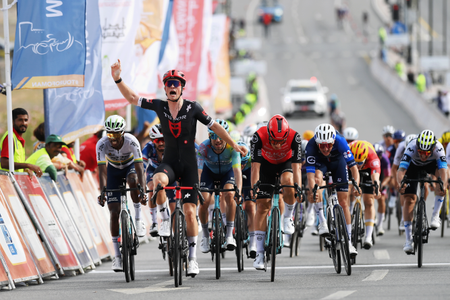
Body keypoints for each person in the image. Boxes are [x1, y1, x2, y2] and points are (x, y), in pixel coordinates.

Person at [110, 61, 246, 276]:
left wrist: (233, 143)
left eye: (176, 84)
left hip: (189, 167)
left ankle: (192, 259)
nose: (172, 87)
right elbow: (133, 99)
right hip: (170, 164)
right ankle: (165, 219)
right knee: (157, 182)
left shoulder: (194, 108)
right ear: (165, 89)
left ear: (182, 88)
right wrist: (118, 78)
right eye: (168, 84)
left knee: (191, 213)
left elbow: (215, 126)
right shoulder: (159, 106)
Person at [250, 114, 302, 270]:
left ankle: (287, 218)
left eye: (281, 142)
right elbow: (255, 167)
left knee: (288, 182)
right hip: (265, 165)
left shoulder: (295, 137)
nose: (278, 146)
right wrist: (254, 187)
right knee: (262, 206)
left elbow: (297, 167)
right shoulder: (258, 137)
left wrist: (298, 187)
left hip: (284, 164)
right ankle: (259, 253)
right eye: (274, 142)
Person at [96, 115, 147, 271]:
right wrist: (103, 190)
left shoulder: (132, 141)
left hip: (130, 166)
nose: (113, 138)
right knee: (114, 212)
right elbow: (102, 171)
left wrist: (142, 189)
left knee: (132, 179)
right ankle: (117, 257)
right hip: (113, 171)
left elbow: (139, 168)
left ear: (123, 133)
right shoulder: (101, 144)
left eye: (117, 134)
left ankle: (138, 219)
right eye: (110, 134)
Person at [304, 124, 360, 257]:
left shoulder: (341, 141)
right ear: (317, 142)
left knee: (343, 202)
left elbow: (353, 168)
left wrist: (357, 184)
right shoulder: (311, 146)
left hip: (338, 163)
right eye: (321, 145)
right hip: (320, 164)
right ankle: (322, 221)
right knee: (317, 182)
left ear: (333, 141)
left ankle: (349, 242)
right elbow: (310, 176)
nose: (325, 148)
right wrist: (313, 190)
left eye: (328, 145)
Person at [397, 130, 448, 254]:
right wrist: (401, 183)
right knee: (409, 199)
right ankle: (408, 240)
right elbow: (401, 169)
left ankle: (436, 215)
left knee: (441, 183)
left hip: (431, 165)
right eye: (420, 152)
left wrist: (443, 185)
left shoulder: (439, 148)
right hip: (413, 167)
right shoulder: (411, 146)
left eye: (426, 153)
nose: (423, 156)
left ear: (433, 148)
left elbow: (443, 170)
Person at [197, 119, 242, 253]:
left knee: (229, 194)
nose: (217, 140)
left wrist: (238, 190)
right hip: (208, 173)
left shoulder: (232, 148)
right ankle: (205, 236)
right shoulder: (203, 148)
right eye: (213, 136)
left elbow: (237, 171)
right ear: (209, 136)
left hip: (227, 174)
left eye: (220, 136)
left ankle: (229, 235)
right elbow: (199, 171)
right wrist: (200, 190)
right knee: (203, 201)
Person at [142, 124, 175, 237]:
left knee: (174, 207)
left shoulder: (172, 146)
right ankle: (154, 222)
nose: (160, 143)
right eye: (157, 140)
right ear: (152, 140)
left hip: (170, 172)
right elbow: (142, 165)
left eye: (163, 140)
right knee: (152, 188)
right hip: (153, 171)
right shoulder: (149, 147)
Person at [349, 141, 381, 249]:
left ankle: (368, 236)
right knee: (346, 189)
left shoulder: (372, 156)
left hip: (368, 169)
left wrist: (376, 186)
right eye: (356, 162)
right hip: (349, 167)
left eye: (360, 162)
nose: (358, 165)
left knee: (369, 201)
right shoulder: (346, 152)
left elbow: (375, 176)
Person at [0, 108, 42, 177]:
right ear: (12, 122)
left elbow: (16, 162)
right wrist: (28, 165)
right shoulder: (10, 137)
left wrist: (25, 169)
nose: (24, 123)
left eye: (26, 120)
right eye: (20, 120)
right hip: (7, 181)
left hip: (14, 180)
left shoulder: (17, 139)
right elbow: (4, 163)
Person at [373, 143, 391, 236]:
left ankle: (380, 225)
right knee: (369, 198)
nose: (377, 157)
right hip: (371, 176)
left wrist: (382, 184)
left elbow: (388, 176)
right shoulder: (369, 158)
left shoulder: (385, 160)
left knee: (382, 199)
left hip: (382, 177)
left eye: (379, 155)